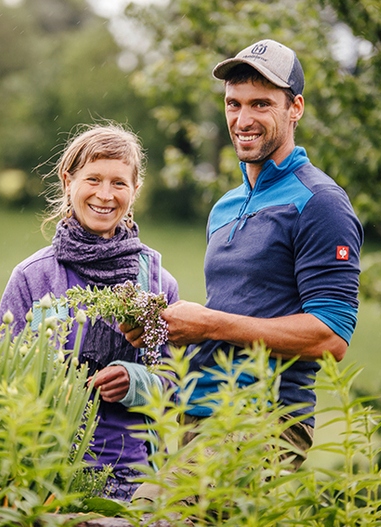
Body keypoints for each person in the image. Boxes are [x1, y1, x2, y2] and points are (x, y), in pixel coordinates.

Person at [124, 39, 363, 485]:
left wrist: (209, 323)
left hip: (266, 420)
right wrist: (170, 328)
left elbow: (331, 338)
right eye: (233, 104)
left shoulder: (320, 203)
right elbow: (240, 314)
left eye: (261, 104)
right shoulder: (225, 206)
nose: (243, 119)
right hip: (198, 412)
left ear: (296, 108)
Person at [0, 123, 179, 502]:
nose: (105, 195)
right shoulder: (33, 278)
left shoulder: (157, 283)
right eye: (92, 179)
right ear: (68, 182)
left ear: (135, 190)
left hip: (134, 479)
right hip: (46, 477)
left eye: (119, 183)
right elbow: (1, 382)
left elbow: (175, 386)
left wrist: (135, 381)